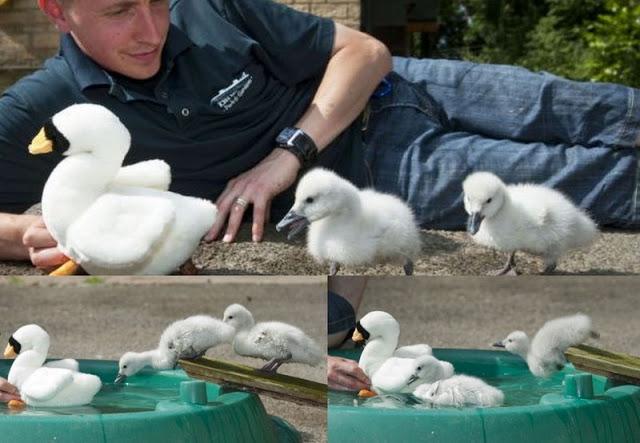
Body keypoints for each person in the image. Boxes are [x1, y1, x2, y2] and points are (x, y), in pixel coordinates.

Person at [1, 0, 638, 270]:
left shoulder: (209, 8)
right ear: (56, 9)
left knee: (604, 107)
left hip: (408, 84)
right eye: (118, 10)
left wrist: (287, 154)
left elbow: (363, 51)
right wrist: (40, 233)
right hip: (380, 171)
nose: (151, 29)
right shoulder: (44, 108)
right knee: (598, 181)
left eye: (157, 2)